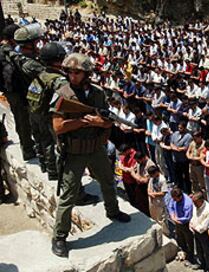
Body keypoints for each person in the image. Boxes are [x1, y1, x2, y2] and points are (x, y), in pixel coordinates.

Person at [50, 53, 130, 258]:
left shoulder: (97, 93)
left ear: (87, 73)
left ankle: (112, 211)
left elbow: (106, 122)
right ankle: (59, 236)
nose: (72, 75)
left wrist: (100, 124)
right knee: (68, 196)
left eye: (77, 72)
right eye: (69, 71)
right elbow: (58, 127)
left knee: (108, 181)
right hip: (74, 153)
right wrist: (85, 122)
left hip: (95, 149)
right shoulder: (62, 94)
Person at [26, 42, 67, 180]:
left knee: (40, 140)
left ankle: (44, 165)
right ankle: (53, 172)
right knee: (50, 143)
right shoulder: (57, 79)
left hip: (34, 112)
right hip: (45, 115)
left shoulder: (42, 73)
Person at [0, 24, 36, 161]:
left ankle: (27, 145)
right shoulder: (8, 52)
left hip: (11, 92)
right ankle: (27, 149)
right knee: (23, 120)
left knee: (20, 119)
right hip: (16, 92)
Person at [168, 187, 195, 266]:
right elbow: (170, 206)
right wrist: (172, 215)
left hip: (185, 224)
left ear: (180, 197)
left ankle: (191, 258)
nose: (174, 200)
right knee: (180, 238)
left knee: (189, 241)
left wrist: (177, 219)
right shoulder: (174, 198)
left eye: (175, 199)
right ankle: (183, 253)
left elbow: (187, 217)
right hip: (177, 221)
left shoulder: (187, 203)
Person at [189, 192, 209, 271]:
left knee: (207, 252)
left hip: (204, 234)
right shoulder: (195, 205)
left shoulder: (208, 210)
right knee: (199, 249)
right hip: (195, 231)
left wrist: (194, 227)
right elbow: (194, 216)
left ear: (201, 200)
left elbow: (204, 227)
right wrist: (191, 224)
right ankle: (202, 264)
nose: (194, 204)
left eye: (195, 202)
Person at [170, 122, 192, 193]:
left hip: (183, 160)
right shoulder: (175, 134)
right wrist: (174, 148)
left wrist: (178, 149)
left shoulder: (188, 136)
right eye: (179, 128)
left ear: (185, 128)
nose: (179, 129)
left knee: (186, 176)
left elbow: (185, 147)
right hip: (176, 159)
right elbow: (171, 143)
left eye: (181, 128)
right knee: (177, 175)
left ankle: (188, 190)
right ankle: (179, 188)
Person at [147, 165, 169, 235]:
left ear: (156, 172)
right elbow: (149, 186)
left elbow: (163, 192)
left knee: (161, 219)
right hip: (152, 201)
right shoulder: (152, 177)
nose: (151, 176)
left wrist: (153, 194)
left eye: (152, 174)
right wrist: (149, 193)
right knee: (154, 217)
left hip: (159, 202)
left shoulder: (162, 180)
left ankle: (165, 233)